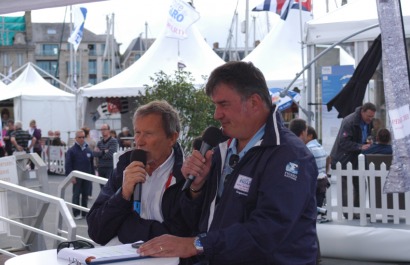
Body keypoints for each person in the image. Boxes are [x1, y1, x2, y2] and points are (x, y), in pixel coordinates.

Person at [138, 62, 318, 264]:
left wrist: (198, 244)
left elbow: (268, 230)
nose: (216, 115)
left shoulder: (289, 155)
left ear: (254, 102)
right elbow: (196, 223)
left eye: (223, 105)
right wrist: (196, 190)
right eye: (215, 105)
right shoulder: (221, 149)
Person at [87, 100, 192, 249]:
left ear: (172, 138)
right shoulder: (125, 167)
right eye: (137, 132)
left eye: (148, 134)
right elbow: (96, 231)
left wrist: (127, 229)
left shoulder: (186, 176)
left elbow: (182, 235)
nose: (139, 142)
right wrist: (123, 195)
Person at [330, 102, 376, 212]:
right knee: (346, 187)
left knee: (361, 185)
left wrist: (368, 142)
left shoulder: (368, 122)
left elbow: (366, 136)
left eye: (372, 116)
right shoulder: (349, 121)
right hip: (344, 158)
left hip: (357, 158)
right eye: (368, 116)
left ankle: (357, 211)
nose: (370, 119)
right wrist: (360, 146)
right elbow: (343, 142)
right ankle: (347, 212)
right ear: (362, 112)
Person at [65, 130, 94, 220]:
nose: (82, 139)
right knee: (76, 195)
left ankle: (84, 213)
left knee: (85, 195)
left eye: (83, 137)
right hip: (76, 177)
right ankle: (76, 213)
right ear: (76, 138)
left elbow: (91, 164)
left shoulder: (88, 149)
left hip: (87, 175)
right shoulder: (72, 151)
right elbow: (68, 164)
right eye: (80, 137)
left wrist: (92, 175)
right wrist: (71, 177)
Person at [82, 126, 97, 200]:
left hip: (84, 160)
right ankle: (89, 193)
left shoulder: (82, 141)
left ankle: (84, 192)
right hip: (91, 159)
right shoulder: (92, 141)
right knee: (90, 177)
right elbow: (95, 148)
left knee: (84, 177)